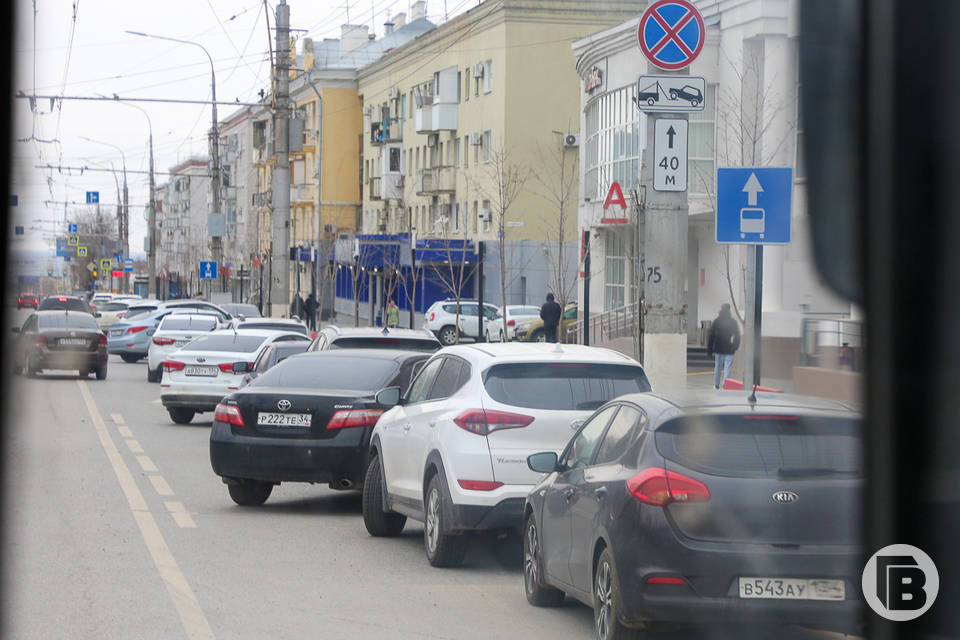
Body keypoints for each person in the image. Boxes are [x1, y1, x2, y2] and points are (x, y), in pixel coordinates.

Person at [707, 303, 741, 390]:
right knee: (727, 368)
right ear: (729, 310)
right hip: (729, 349)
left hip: (718, 348)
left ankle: (716, 385)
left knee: (717, 367)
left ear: (721, 309)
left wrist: (710, 349)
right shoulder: (733, 322)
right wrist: (735, 346)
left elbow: (711, 336)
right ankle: (726, 385)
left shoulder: (717, 321)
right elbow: (737, 335)